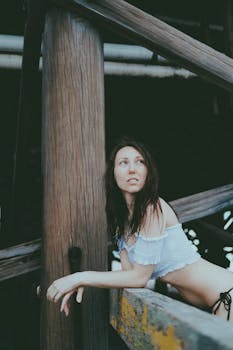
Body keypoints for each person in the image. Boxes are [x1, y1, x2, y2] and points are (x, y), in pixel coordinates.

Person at [47, 136, 233, 321]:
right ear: (112, 173)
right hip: (219, 302)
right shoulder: (123, 222)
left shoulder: (152, 208)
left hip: (226, 296)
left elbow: (139, 278)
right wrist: (84, 281)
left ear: (147, 171)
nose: (132, 169)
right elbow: (129, 275)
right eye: (123, 163)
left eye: (140, 162)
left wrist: (81, 277)